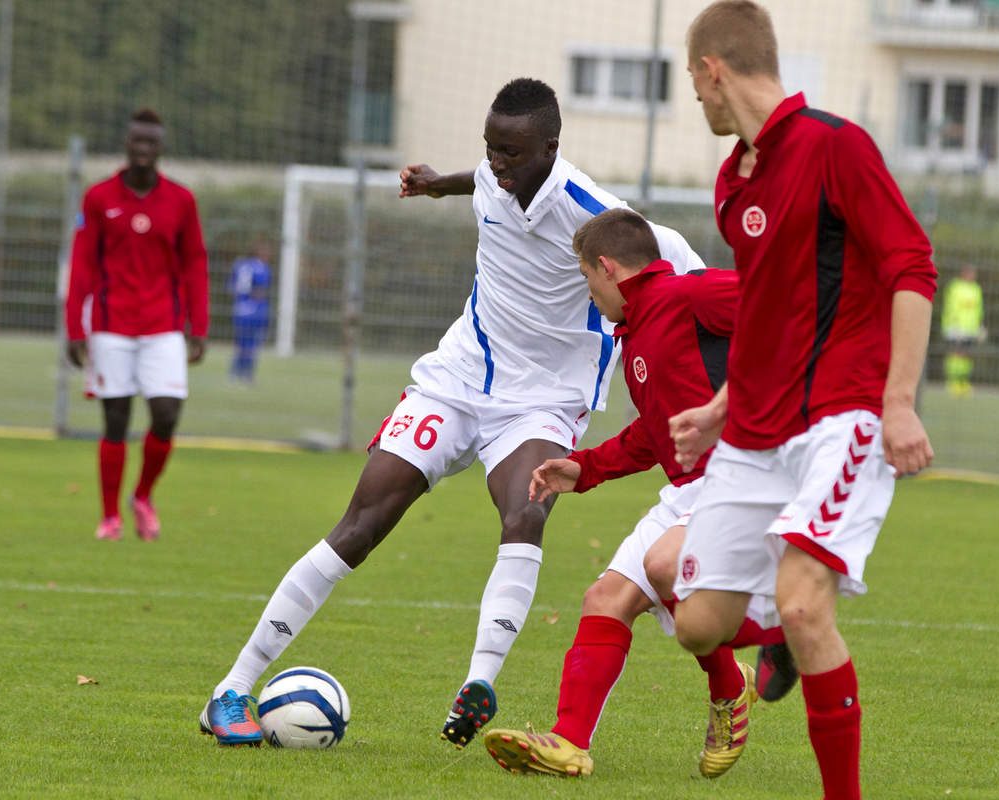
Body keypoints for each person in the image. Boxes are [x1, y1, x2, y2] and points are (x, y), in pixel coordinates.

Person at [198, 78, 705, 748]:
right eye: (490, 148)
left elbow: (691, 276)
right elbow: (487, 180)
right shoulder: (498, 174)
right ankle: (230, 692)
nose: (498, 164)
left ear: (551, 148)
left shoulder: (598, 214)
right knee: (362, 521)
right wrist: (439, 184)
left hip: (541, 400)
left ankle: (479, 681)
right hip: (457, 377)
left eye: (513, 153)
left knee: (525, 511)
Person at [669, 4, 937, 799]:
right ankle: (778, 636)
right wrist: (721, 407)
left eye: (693, 83)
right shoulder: (732, 181)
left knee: (803, 599)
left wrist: (899, 402)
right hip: (755, 432)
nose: (696, 101)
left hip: (844, 416)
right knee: (697, 624)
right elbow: (764, 303)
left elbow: (912, 269)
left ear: (714, 69)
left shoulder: (834, 145)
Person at [482, 209, 790, 779]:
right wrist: (584, 468)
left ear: (607, 268)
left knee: (665, 564)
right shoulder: (639, 329)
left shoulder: (689, 294)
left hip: (741, 477)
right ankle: (569, 744)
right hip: (688, 490)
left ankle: (786, 632)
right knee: (606, 599)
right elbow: (655, 431)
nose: (589, 294)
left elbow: (779, 300)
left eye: (587, 279)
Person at [64, 107, 209, 543]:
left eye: (151, 142)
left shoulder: (181, 201)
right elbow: (83, 264)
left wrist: (197, 325)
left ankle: (142, 496)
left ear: (160, 148)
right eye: (137, 141)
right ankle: (110, 516)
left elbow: (194, 264)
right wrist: (76, 327)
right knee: (115, 419)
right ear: (126, 144)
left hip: (163, 326)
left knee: (165, 414)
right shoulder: (99, 197)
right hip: (111, 326)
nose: (144, 149)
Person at [227, 239, 272, 384]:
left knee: (240, 343)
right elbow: (260, 290)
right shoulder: (261, 267)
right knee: (252, 344)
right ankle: (247, 375)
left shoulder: (239, 264)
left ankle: (234, 373)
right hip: (255, 310)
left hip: (240, 309)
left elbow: (231, 287)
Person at [941, 263, 984, 397]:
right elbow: (951, 306)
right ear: (963, 273)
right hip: (956, 327)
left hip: (971, 328)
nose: (972, 276)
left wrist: (980, 326)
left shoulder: (976, 288)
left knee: (966, 355)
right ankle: (952, 382)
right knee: (955, 353)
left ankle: (963, 382)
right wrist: (954, 325)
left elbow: (979, 308)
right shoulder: (955, 287)